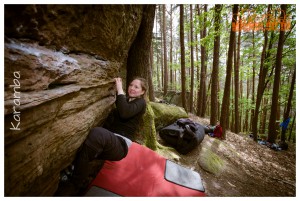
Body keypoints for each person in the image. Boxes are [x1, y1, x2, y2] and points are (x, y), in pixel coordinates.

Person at [57, 77, 147, 196]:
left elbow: (125, 113)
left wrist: (120, 89)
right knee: (86, 149)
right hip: (109, 139)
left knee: (97, 133)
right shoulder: (124, 100)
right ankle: (75, 181)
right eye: (131, 85)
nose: (132, 88)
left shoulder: (141, 103)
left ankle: (75, 183)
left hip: (120, 144)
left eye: (136, 87)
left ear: (142, 92)